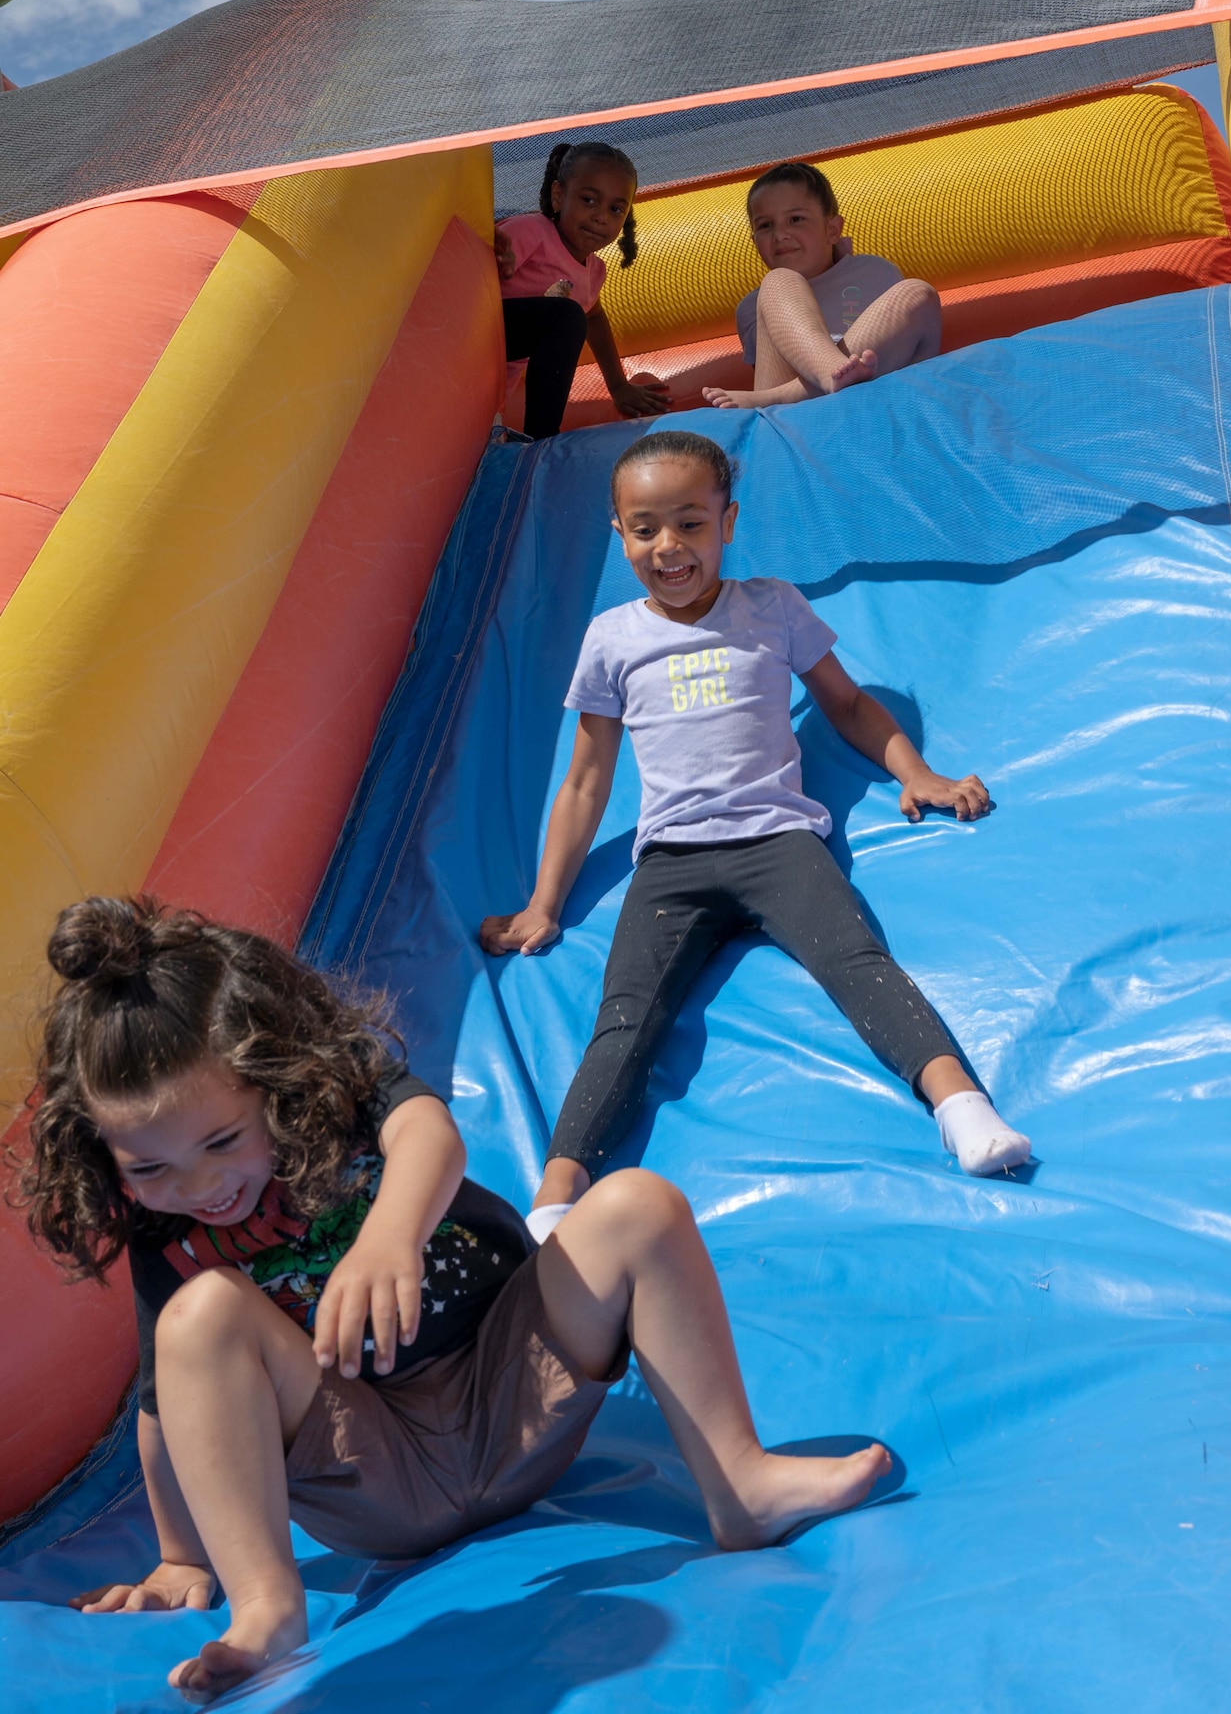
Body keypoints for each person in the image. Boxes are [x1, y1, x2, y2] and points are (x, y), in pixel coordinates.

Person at [20, 896, 888, 1701]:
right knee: (199, 1317)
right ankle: (268, 1609)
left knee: (636, 1205)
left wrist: (390, 1235)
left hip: (512, 1399)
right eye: (149, 1168)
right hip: (372, 1469)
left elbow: (428, 1133)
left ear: (273, 1079)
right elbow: (167, 1402)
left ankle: (738, 1483)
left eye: (220, 1142)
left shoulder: (339, 1104)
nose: (201, 1185)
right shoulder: (167, 1239)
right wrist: (178, 1559)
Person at [480, 429, 1030, 1239]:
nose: (668, 547)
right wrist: (543, 902)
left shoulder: (769, 607)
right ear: (619, 535)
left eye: (690, 524)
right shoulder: (613, 639)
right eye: (644, 528)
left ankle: (960, 1106)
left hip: (778, 842)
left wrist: (916, 773)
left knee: (858, 964)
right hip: (671, 863)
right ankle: (558, 1194)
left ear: (726, 523)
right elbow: (587, 779)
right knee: (628, 1015)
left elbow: (843, 703)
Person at [703, 161, 942, 412]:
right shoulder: (754, 306)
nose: (780, 234)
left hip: (879, 400)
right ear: (754, 242)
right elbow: (770, 370)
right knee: (778, 280)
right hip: (797, 418)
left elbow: (903, 344)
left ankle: (805, 387)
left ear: (832, 230)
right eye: (765, 225)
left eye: (795, 219)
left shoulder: (873, 271)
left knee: (918, 292)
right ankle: (829, 372)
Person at [496, 140, 670, 437]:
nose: (601, 216)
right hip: (485, 337)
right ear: (558, 196)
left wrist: (618, 386)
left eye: (616, 209)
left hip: (492, 387)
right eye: (588, 200)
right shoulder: (533, 231)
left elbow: (594, 317)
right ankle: (543, 438)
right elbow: (488, 248)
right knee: (564, 317)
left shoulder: (594, 271)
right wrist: (495, 256)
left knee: (569, 316)